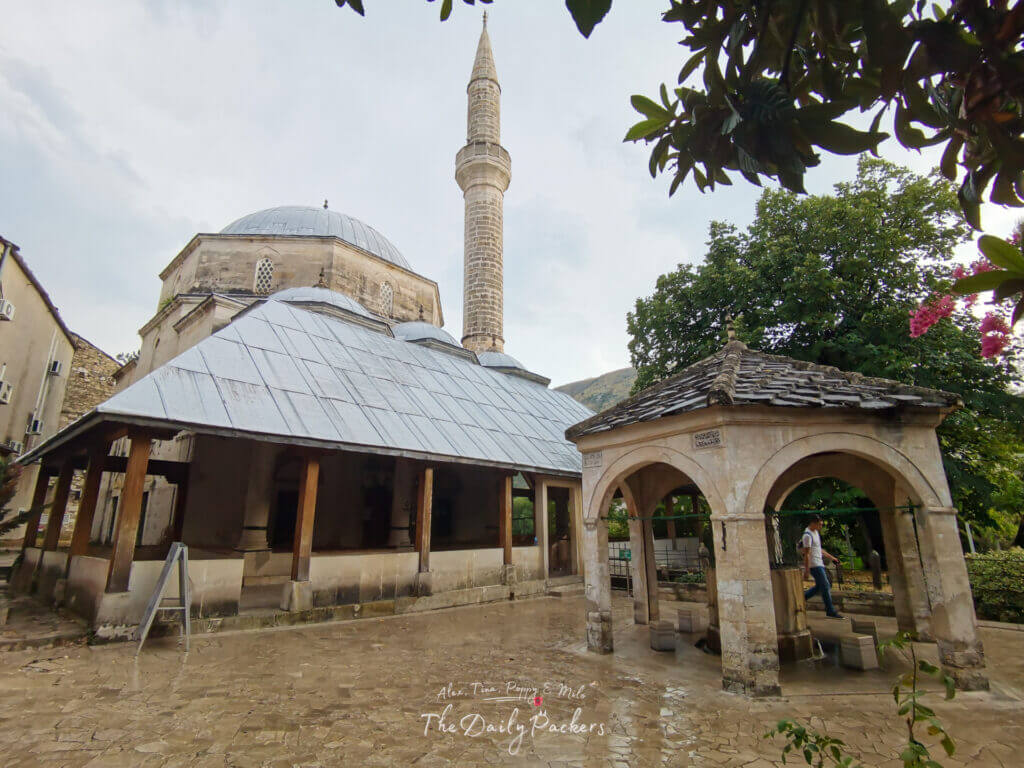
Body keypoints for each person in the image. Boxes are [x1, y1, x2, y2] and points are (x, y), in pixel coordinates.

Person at [801, 515, 844, 619]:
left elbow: (818, 549)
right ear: (813, 523)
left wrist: (832, 558)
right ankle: (830, 610)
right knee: (825, 585)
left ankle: (802, 598)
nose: (821, 527)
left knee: (821, 586)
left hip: (819, 563)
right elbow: (806, 554)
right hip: (814, 565)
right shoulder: (807, 535)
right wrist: (807, 570)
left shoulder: (815, 533)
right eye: (819, 524)